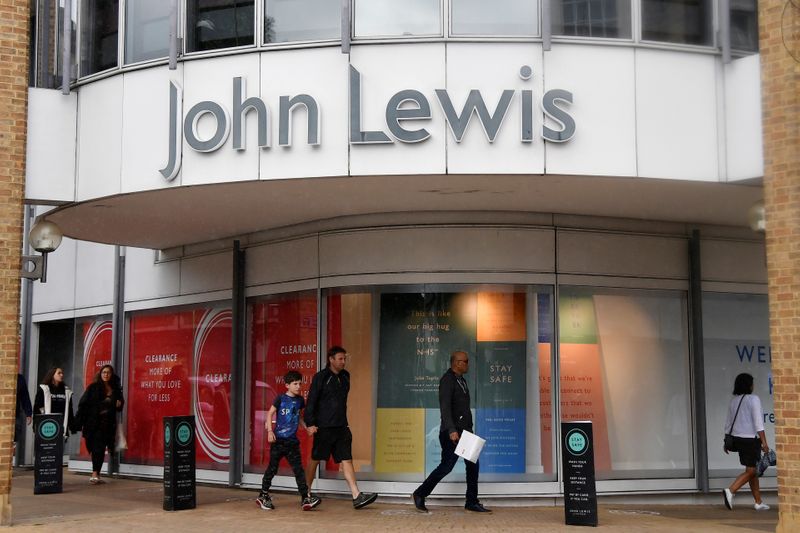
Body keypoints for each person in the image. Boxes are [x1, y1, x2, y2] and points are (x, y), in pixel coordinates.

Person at [413, 350, 490, 513]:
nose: (468, 364)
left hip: (465, 432)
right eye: (465, 361)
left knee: (473, 465)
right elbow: (445, 407)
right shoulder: (447, 380)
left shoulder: (461, 381)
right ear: (457, 363)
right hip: (453, 432)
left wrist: (468, 428)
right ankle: (420, 493)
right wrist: (451, 430)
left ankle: (471, 501)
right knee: (446, 466)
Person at [304, 346, 378, 510]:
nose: (343, 362)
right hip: (324, 427)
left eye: (344, 359)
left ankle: (356, 495)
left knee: (347, 459)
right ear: (331, 359)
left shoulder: (346, 376)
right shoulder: (321, 377)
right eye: (340, 359)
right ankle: (305, 494)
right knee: (315, 459)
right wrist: (310, 424)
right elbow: (311, 402)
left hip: (341, 426)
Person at [256, 370, 321, 511]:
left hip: (292, 442)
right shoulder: (280, 399)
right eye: (295, 384)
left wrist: (307, 427)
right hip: (278, 441)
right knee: (272, 469)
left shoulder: (300, 401)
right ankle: (263, 495)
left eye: (300, 383)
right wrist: (269, 431)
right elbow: (270, 413)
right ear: (287, 385)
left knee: (299, 470)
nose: (298, 386)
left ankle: (305, 498)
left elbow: (299, 418)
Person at [722, 372, 770, 511]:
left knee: (752, 470)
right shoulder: (753, 399)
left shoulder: (734, 400)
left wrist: (726, 441)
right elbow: (758, 423)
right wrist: (764, 443)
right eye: (752, 383)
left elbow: (728, 423)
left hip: (737, 439)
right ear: (749, 385)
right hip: (750, 440)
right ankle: (730, 491)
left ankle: (758, 502)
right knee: (752, 470)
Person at [76, 364, 125, 484]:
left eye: (108, 372)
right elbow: (84, 403)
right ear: (100, 374)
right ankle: (94, 473)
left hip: (108, 424)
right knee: (97, 448)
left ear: (111, 375)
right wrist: (80, 420)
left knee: (102, 449)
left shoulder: (115, 390)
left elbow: (119, 405)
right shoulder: (93, 387)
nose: (106, 374)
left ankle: (96, 473)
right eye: (104, 372)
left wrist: (119, 404)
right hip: (94, 423)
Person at [33, 367, 76, 439]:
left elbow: (69, 410)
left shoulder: (66, 391)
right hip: (47, 426)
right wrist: (36, 425)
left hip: (61, 425)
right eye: (59, 373)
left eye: (62, 373)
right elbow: (37, 408)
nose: (62, 375)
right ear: (52, 375)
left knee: (59, 449)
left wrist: (72, 426)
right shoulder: (44, 389)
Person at [15, 373, 33, 448]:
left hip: (14, 414)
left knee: (15, 434)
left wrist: (28, 413)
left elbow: (25, 397)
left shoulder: (20, 379)